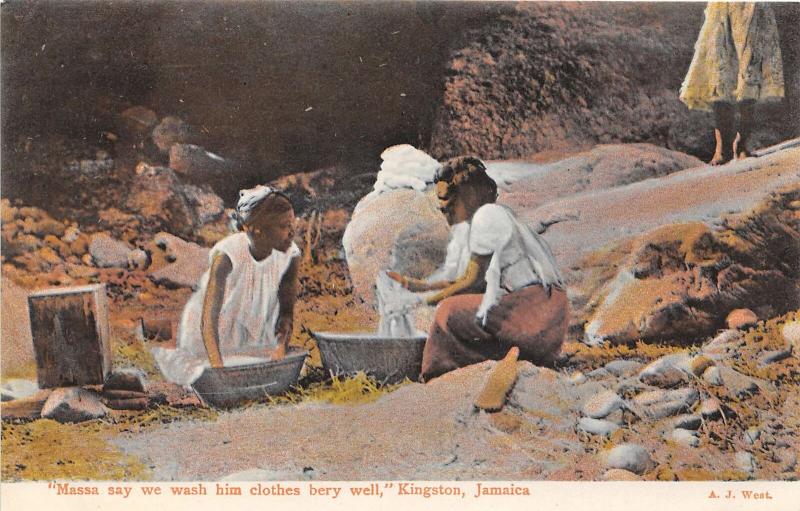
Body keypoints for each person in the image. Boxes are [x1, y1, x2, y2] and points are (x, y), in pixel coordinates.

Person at [388, 157, 569, 382]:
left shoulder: (486, 217)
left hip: (536, 312)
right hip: (549, 319)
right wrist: (415, 286)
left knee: (449, 311)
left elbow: (470, 282)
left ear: (469, 195)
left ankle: (435, 376)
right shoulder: (498, 215)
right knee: (463, 307)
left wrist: (420, 302)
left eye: (448, 200)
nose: (443, 208)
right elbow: (468, 280)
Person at [152, 185, 300, 386]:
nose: (292, 232)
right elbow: (208, 317)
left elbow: (286, 313)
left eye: (293, 224)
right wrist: (218, 369)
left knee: (269, 369)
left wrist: (280, 349)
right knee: (199, 373)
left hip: (248, 330)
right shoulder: (228, 255)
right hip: (209, 333)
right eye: (284, 226)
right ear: (257, 230)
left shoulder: (290, 255)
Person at [680, 2, 784, 165]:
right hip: (721, 11)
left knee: (750, 76)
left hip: (751, 8)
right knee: (719, 77)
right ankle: (722, 148)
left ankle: (742, 144)